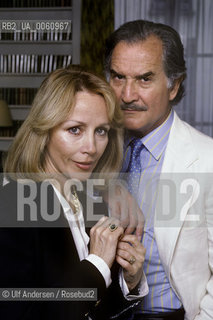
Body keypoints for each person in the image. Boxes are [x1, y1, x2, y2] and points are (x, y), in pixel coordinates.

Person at [0, 67, 148, 319]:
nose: (91, 147)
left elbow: (93, 309)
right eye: (75, 130)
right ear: (45, 131)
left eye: (101, 131)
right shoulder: (14, 203)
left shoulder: (91, 203)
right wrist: (98, 263)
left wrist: (129, 281)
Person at [104, 20, 213, 320]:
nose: (127, 95)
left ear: (174, 85)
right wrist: (101, 186)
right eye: (118, 77)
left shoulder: (207, 160)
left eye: (144, 79)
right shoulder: (91, 148)